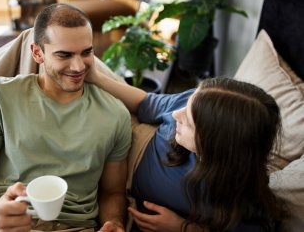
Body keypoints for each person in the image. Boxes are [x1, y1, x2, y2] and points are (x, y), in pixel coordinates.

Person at [0, 3, 132, 232]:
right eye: (64, 55)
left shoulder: (115, 114)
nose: (78, 66)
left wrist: (114, 222)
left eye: (86, 52)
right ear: (37, 53)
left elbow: (112, 192)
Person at [86, 66, 287, 232]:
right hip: (134, 124)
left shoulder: (240, 208)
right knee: (71, 59)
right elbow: (144, 103)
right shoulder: (202, 101)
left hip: (120, 169)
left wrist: (183, 227)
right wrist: (95, 76)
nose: (175, 116)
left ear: (214, 145)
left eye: (188, 122)